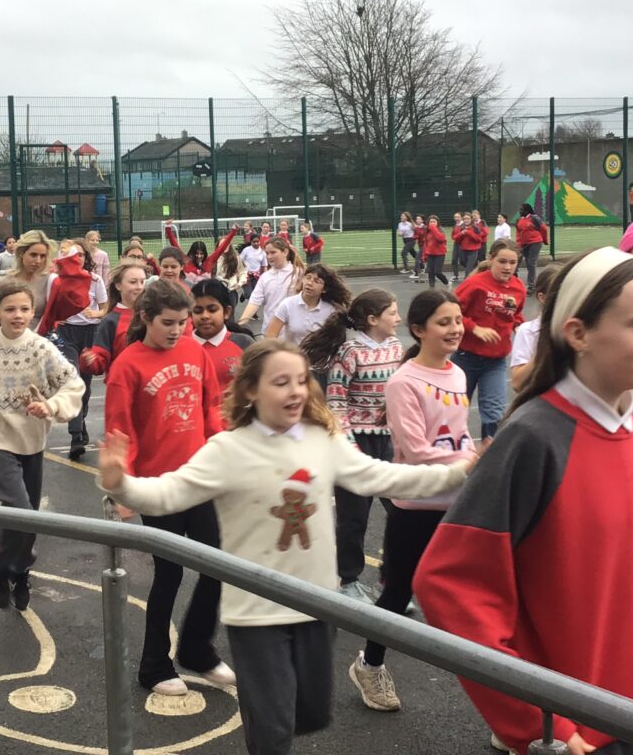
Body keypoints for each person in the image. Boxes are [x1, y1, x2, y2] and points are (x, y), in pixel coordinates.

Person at [98, 339, 473, 755]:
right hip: (256, 611)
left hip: (315, 602)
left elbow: (382, 476)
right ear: (251, 390)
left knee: (309, 714)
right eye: (281, 382)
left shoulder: (321, 440)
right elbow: (169, 493)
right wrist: (121, 484)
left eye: (301, 380)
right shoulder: (228, 449)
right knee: (273, 728)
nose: (295, 391)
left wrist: (457, 473)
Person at [414, 247, 633, 755]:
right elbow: (449, 586)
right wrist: (542, 726)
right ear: (578, 333)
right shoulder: (536, 438)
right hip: (594, 731)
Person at [348, 288, 477, 713]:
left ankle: (498, 700)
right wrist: (472, 461)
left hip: (456, 504)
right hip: (416, 506)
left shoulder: (458, 374)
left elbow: (457, 435)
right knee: (397, 592)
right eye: (444, 322)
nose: (455, 329)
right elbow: (416, 450)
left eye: (457, 320)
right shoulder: (404, 382)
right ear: (419, 330)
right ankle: (369, 665)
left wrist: (473, 456)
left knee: (467, 596)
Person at [104, 279, 232, 697]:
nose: (177, 330)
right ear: (145, 318)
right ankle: (155, 666)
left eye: (183, 322)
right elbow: (120, 430)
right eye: (168, 323)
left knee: (218, 563)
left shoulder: (195, 351)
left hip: (199, 478)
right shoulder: (128, 366)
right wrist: (123, 490)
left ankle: (197, 648)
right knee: (169, 573)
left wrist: (223, 453)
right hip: (157, 486)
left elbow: (211, 408)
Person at [0, 280, 85, 610]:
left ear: (33, 311)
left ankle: (20, 573)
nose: (18, 315)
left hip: (31, 440)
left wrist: (50, 406)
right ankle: (2, 570)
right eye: (10, 309)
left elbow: (72, 383)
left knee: (28, 514)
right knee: (20, 508)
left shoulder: (41, 348)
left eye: (25, 309)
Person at [305, 289, 403, 603]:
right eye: (393, 313)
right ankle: (349, 580)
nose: (398, 318)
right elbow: (335, 404)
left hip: (389, 441)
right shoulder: (349, 352)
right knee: (354, 517)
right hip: (356, 443)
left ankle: (392, 579)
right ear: (373, 319)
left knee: (401, 511)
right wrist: (349, 448)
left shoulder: (396, 347)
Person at [452, 239, 525, 440]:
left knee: (494, 412)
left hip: (496, 361)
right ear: (491, 259)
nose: (507, 267)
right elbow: (451, 312)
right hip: (466, 358)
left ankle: (489, 452)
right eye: (502, 261)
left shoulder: (518, 288)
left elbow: (515, 314)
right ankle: (452, 451)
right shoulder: (475, 284)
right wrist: (475, 328)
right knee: (455, 409)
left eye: (512, 262)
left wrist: (519, 326)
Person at [56, 240, 108, 460]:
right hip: (67, 334)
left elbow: (105, 307)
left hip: (90, 333)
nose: (77, 259)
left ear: (86, 258)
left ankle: (81, 420)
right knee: (73, 380)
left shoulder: (95, 280)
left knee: (85, 387)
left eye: (80, 255)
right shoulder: (58, 281)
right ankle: (76, 436)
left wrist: (97, 314)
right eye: (72, 255)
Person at [79, 260, 148, 381]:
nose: (139, 287)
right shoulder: (110, 321)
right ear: (118, 285)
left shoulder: (152, 315)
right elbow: (100, 361)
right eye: (133, 282)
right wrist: (89, 360)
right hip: (122, 385)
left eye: (142, 282)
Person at [190, 278, 255, 391]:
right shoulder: (181, 345)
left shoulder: (244, 343)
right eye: (198, 311)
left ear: (227, 312)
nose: (205, 316)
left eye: (212, 310)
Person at [266, 264, 352, 347]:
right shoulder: (287, 304)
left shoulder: (331, 310)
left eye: (317, 281)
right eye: (308, 277)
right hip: (293, 355)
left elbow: (335, 340)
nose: (310, 283)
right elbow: (271, 335)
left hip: (319, 355)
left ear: (324, 289)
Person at [509, 264, 561, 392]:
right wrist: (544, 351)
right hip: (542, 400)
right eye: (558, 294)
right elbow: (518, 383)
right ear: (542, 297)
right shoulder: (528, 331)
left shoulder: (579, 328)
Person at [238, 238, 305, 330]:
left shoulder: (299, 273)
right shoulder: (265, 277)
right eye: (267, 253)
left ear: (285, 252)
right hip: (269, 331)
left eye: (273, 252)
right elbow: (254, 302)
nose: (269, 256)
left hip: (294, 332)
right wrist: (240, 325)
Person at [4, 230, 56, 329]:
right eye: (33, 255)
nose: (38, 261)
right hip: (11, 336)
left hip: (40, 336)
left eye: (42, 256)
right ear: (21, 253)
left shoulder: (51, 281)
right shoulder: (6, 281)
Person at [515, 203, 548, 294]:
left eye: (522, 210)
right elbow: (518, 233)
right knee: (524, 262)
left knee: (531, 263)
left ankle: (531, 286)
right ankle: (514, 281)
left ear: (527, 211)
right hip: (524, 244)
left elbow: (544, 229)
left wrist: (544, 240)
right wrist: (519, 244)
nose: (520, 211)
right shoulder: (519, 220)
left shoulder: (534, 218)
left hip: (535, 242)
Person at [216, 235, 248, 310]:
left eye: (227, 244)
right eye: (222, 244)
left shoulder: (235, 258)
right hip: (216, 292)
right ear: (218, 246)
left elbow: (242, 271)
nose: (224, 246)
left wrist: (239, 283)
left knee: (230, 315)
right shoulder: (214, 259)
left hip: (230, 291)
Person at [453, 212, 484, 278]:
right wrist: (461, 234)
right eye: (465, 219)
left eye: (468, 218)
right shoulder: (462, 227)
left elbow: (479, 239)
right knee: (462, 262)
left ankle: (467, 280)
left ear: (471, 219)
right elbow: (455, 238)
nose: (466, 220)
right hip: (463, 250)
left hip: (473, 251)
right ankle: (475, 274)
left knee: (468, 270)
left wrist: (469, 233)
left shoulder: (475, 228)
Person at [422, 215, 449, 287]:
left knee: (437, 272)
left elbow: (441, 239)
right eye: (431, 222)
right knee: (430, 272)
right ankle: (432, 287)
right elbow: (426, 244)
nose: (432, 223)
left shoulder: (440, 230)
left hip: (439, 254)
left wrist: (433, 228)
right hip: (430, 254)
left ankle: (447, 282)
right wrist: (424, 255)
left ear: (437, 223)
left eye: (434, 222)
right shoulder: (427, 231)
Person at [239, 233, 267, 301]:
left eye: (257, 241)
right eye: (254, 242)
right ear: (251, 242)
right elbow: (240, 261)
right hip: (246, 275)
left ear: (260, 241)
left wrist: (265, 275)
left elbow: (264, 265)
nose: (256, 243)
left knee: (255, 294)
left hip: (256, 276)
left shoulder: (262, 252)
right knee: (249, 294)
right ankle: (245, 294)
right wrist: (240, 271)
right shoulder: (246, 250)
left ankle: (253, 307)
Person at [409, 215, 427, 280]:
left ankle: (416, 273)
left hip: (425, 244)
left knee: (417, 257)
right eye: (417, 219)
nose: (417, 220)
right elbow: (415, 235)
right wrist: (413, 237)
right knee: (421, 258)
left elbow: (426, 236)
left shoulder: (425, 227)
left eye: (419, 219)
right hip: (420, 244)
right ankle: (423, 268)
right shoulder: (416, 228)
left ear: (422, 220)